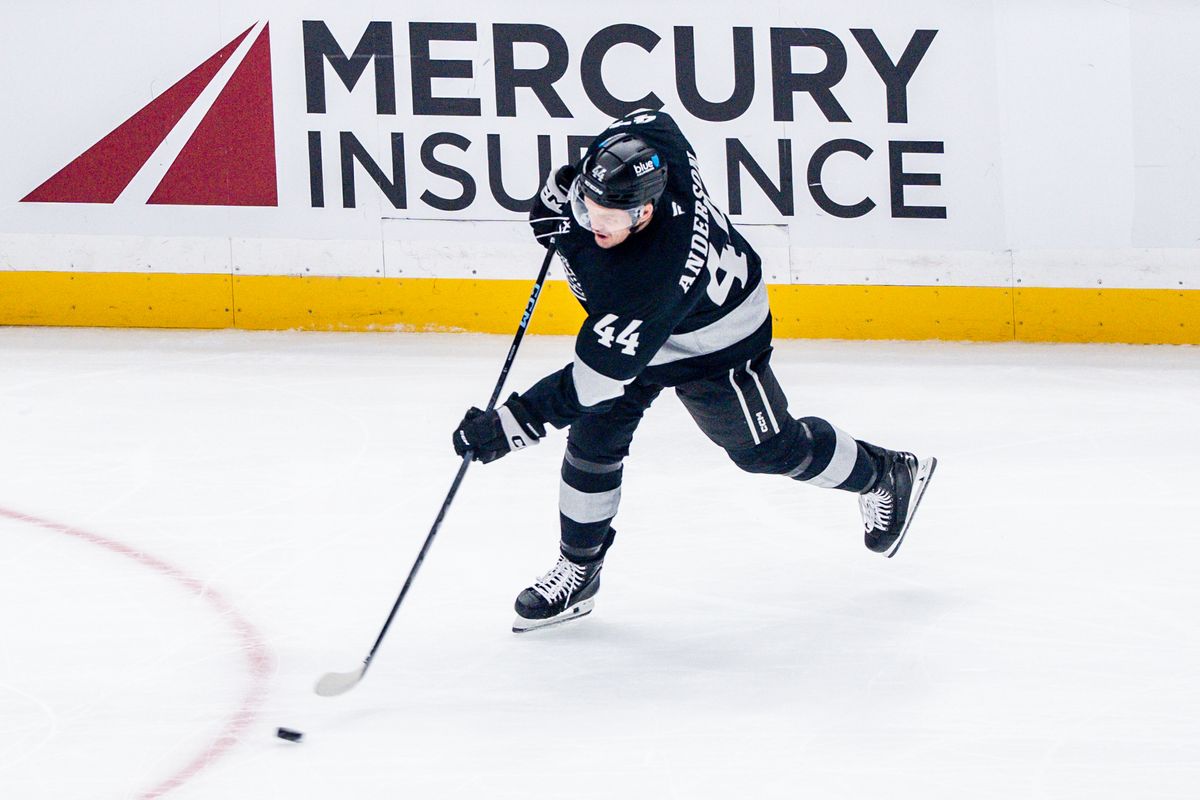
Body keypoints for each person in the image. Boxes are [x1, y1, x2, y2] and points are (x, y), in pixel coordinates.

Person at [453, 109, 936, 633]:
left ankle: (883, 473)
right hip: (645, 333)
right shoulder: (653, 145)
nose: (595, 226)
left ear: (645, 214)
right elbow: (649, 117)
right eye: (588, 208)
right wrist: (567, 186)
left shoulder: (651, 279)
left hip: (718, 339)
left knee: (766, 450)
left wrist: (509, 424)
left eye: (610, 219)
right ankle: (580, 568)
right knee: (593, 445)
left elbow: (591, 383)